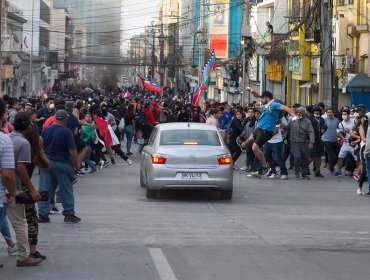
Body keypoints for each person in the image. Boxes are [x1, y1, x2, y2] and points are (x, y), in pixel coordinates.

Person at [10, 112, 47, 260]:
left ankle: (27, 252)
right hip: (20, 186)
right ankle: (28, 253)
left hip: (9, 184)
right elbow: (22, 168)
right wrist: (32, 189)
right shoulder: (26, 145)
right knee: (28, 220)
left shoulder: (8, 139)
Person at [38, 109, 81, 223]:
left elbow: (40, 145)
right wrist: (77, 163)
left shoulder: (46, 130)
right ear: (65, 120)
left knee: (45, 190)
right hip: (62, 163)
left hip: (47, 163)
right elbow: (72, 150)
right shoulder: (67, 132)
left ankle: (43, 214)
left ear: (55, 118)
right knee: (66, 189)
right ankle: (68, 214)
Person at [247, 89, 297, 175]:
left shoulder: (274, 105)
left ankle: (281, 173)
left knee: (277, 157)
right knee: (260, 152)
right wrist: (251, 90)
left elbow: (286, 108)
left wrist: (294, 116)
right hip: (266, 137)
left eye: (263, 98)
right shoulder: (266, 104)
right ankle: (259, 171)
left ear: (267, 98)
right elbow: (257, 97)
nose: (261, 100)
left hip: (274, 139)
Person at [0, 102, 17, 267]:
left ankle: (11, 244)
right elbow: (8, 174)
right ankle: (11, 244)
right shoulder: (4, 140)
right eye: (6, 113)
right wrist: (12, 192)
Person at [287, 107, 315, 179]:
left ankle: (304, 174)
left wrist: (311, 142)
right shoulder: (293, 120)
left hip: (304, 142)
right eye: (297, 112)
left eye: (300, 112)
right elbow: (287, 128)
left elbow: (311, 132)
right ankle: (297, 171)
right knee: (297, 157)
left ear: (303, 113)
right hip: (294, 142)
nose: (298, 114)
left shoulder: (307, 121)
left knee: (305, 159)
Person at [333, 108, 356, 176]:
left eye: (345, 114)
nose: (344, 116)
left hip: (353, 143)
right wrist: (342, 137)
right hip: (345, 143)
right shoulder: (341, 123)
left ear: (349, 115)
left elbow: (357, 131)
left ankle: (359, 172)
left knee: (357, 158)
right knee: (340, 157)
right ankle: (338, 171)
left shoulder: (354, 121)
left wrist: (351, 132)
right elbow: (338, 133)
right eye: (343, 114)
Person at [307, 106, 327, 177]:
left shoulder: (322, 119)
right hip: (311, 140)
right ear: (313, 111)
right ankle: (304, 167)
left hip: (319, 139)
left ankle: (318, 171)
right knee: (311, 156)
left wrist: (323, 130)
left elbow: (325, 126)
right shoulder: (309, 118)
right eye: (315, 110)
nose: (317, 111)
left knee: (319, 156)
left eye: (318, 110)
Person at [322, 108, 340, 173]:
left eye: (331, 112)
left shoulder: (336, 120)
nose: (329, 113)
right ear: (326, 113)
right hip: (326, 139)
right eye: (328, 112)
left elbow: (339, 128)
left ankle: (331, 166)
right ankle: (331, 168)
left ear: (333, 113)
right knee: (331, 154)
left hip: (335, 139)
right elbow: (321, 129)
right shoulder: (324, 120)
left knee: (338, 154)